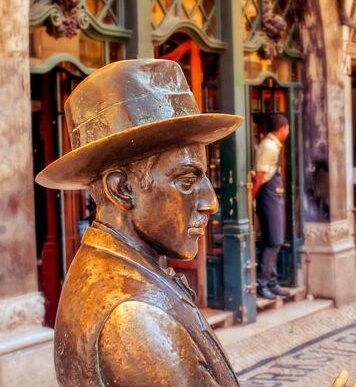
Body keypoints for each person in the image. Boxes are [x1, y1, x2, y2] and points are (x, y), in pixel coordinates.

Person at [35, 59, 243, 386]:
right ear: (122, 189)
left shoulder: (121, 271)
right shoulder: (135, 321)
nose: (211, 202)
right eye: (187, 180)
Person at [252, 114, 290, 300]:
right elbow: (259, 176)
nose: (288, 132)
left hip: (273, 196)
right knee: (274, 240)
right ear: (282, 128)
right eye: (287, 128)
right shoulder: (268, 146)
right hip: (268, 196)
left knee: (274, 240)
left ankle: (272, 281)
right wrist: (252, 196)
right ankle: (263, 283)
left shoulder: (273, 145)